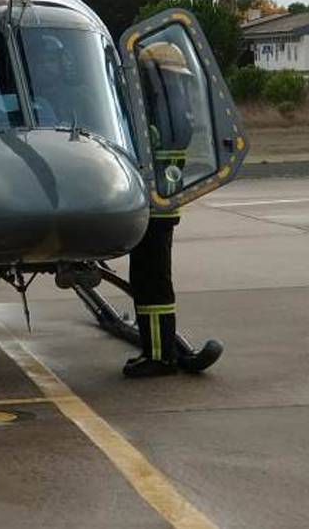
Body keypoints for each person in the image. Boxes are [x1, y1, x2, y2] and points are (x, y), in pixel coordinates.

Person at [123, 40, 194, 378]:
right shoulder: (181, 110)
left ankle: (158, 355)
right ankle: (160, 348)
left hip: (150, 207)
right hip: (165, 205)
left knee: (149, 282)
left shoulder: (153, 114)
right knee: (156, 279)